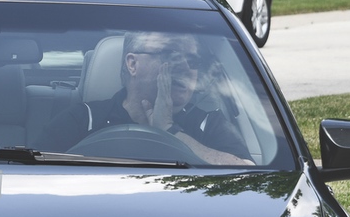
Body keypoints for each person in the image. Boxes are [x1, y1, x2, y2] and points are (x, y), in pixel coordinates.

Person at [35, 31, 253, 165]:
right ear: (132, 64)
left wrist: (169, 130)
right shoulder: (83, 120)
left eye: (193, 61)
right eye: (172, 56)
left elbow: (247, 172)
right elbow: (33, 173)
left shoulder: (209, 124)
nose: (187, 68)